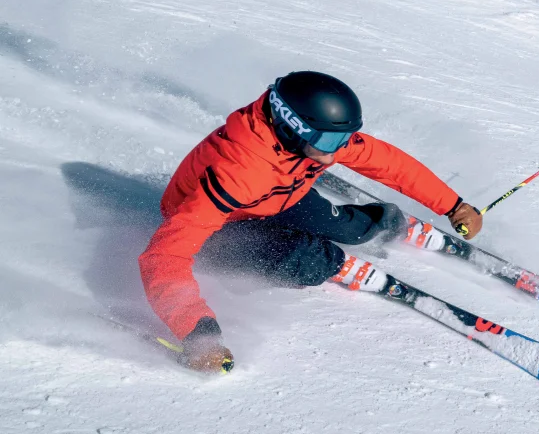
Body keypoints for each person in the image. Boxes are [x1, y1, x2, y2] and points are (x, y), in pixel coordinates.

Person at [138, 71, 483, 373]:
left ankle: (385, 222)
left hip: (281, 194)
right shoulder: (238, 173)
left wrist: (451, 204)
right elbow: (165, 256)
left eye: (342, 140)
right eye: (328, 143)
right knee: (305, 261)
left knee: (354, 230)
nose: (336, 154)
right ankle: (329, 262)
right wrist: (199, 336)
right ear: (292, 128)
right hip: (224, 226)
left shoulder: (318, 136)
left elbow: (387, 162)